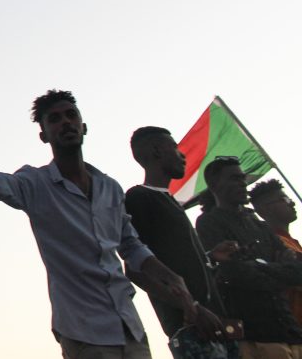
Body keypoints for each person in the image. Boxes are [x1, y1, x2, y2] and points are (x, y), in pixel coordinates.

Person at [0, 90, 194, 359]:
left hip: (130, 328)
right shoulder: (36, 184)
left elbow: (131, 246)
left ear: (83, 126)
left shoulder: (109, 188)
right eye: (54, 119)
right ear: (44, 135)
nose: (65, 122)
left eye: (70, 115)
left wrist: (172, 279)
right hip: (84, 334)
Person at [125, 126, 240, 358]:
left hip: (218, 328)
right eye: (175, 148)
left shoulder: (170, 201)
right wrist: (191, 308)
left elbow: (174, 258)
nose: (183, 155)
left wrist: (209, 257)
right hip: (192, 330)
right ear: (157, 151)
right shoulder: (140, 197)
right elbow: (136, 269)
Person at [195, 158, 302, 358]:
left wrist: (259, 266)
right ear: (215, 185)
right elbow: (235, 273)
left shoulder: (260, 226)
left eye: (243, 178)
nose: (242, 183)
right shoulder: (209, 223)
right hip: (253, 336)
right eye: (234, 179)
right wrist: (277, 268)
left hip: (290, 330)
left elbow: (297, 272)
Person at [249, 179, 302, 328]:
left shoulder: (292, 242)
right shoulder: (273, 244)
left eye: (289, 199)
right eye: (284, 199)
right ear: (264, 209)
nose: (291, 203)